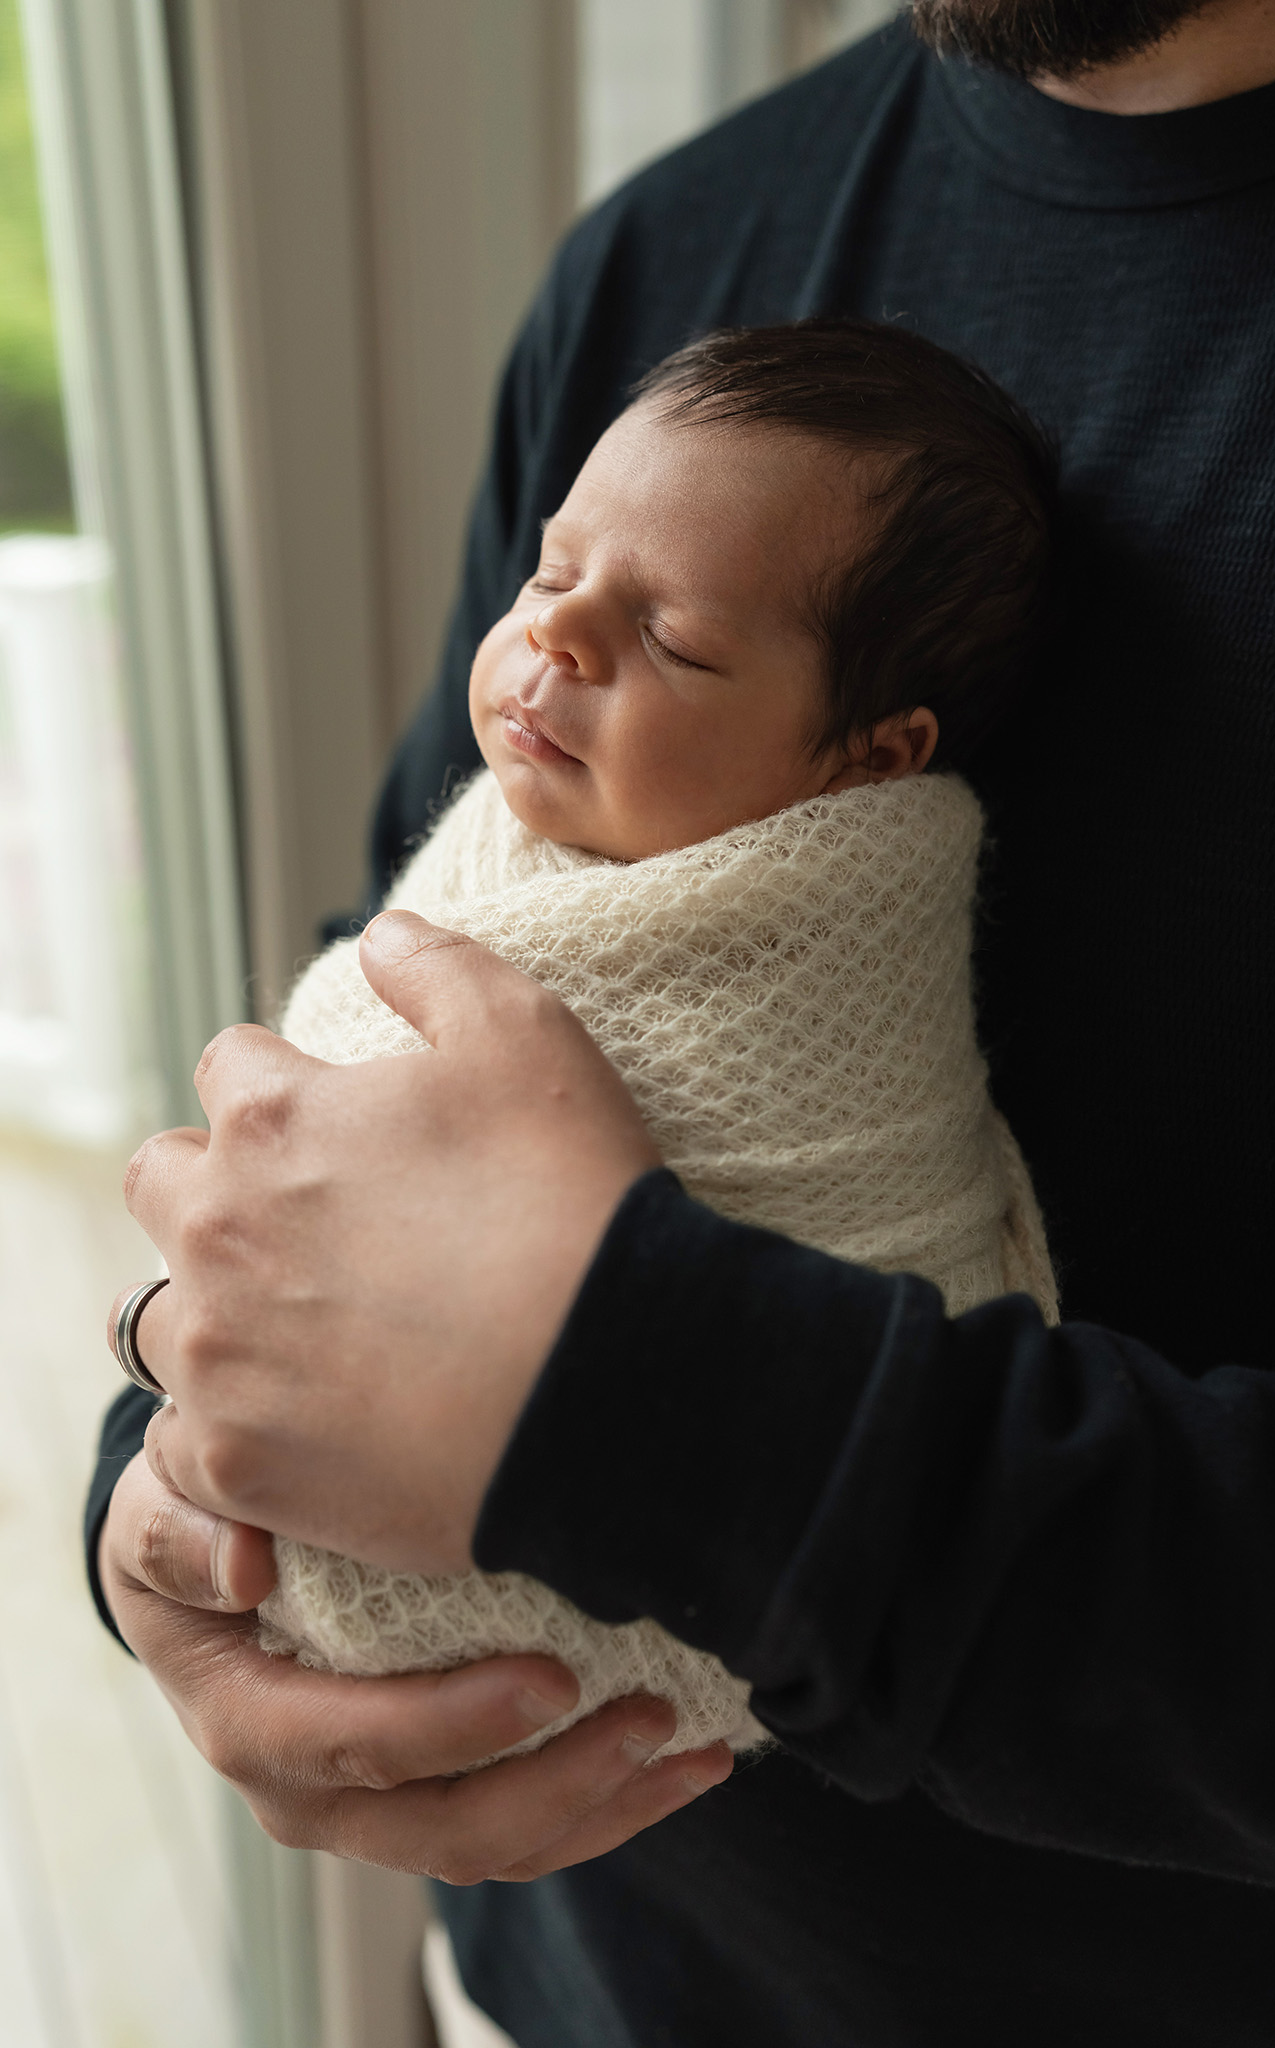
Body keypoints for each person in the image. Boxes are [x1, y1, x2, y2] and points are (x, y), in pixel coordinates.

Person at [91, 2, 1275, 2043]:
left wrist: (638, 1400)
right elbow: (419, 961)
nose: (566, 637)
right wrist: (164, 1476)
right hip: (547, 1983)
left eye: (667, 633)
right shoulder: (683, 253)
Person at [257, 321, 1057, 1721]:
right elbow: (333, 1057)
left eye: (670, 639)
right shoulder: (507, 828)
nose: (552, 632)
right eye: (552, 570)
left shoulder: (823, 949)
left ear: (868, 759)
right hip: (539, 1930)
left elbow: (848, 1230)